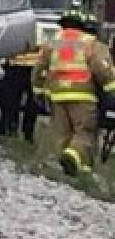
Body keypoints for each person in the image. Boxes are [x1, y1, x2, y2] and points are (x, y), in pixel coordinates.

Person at [32, 10, 115, 176]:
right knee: (84, 132)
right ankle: (73, 160)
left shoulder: (53, 42)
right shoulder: (89, 42)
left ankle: (75, 171)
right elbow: (102, 69)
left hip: (57, 96)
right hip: (83, 96)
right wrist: (111, 90)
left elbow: (39, 69)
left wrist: (38, 91)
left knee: (64, 134)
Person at [2, 32, 43, 142]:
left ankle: (23, 131)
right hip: (20, 65)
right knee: (13, 100)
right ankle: (16, 129)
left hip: (30, 66)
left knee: (29, 102)